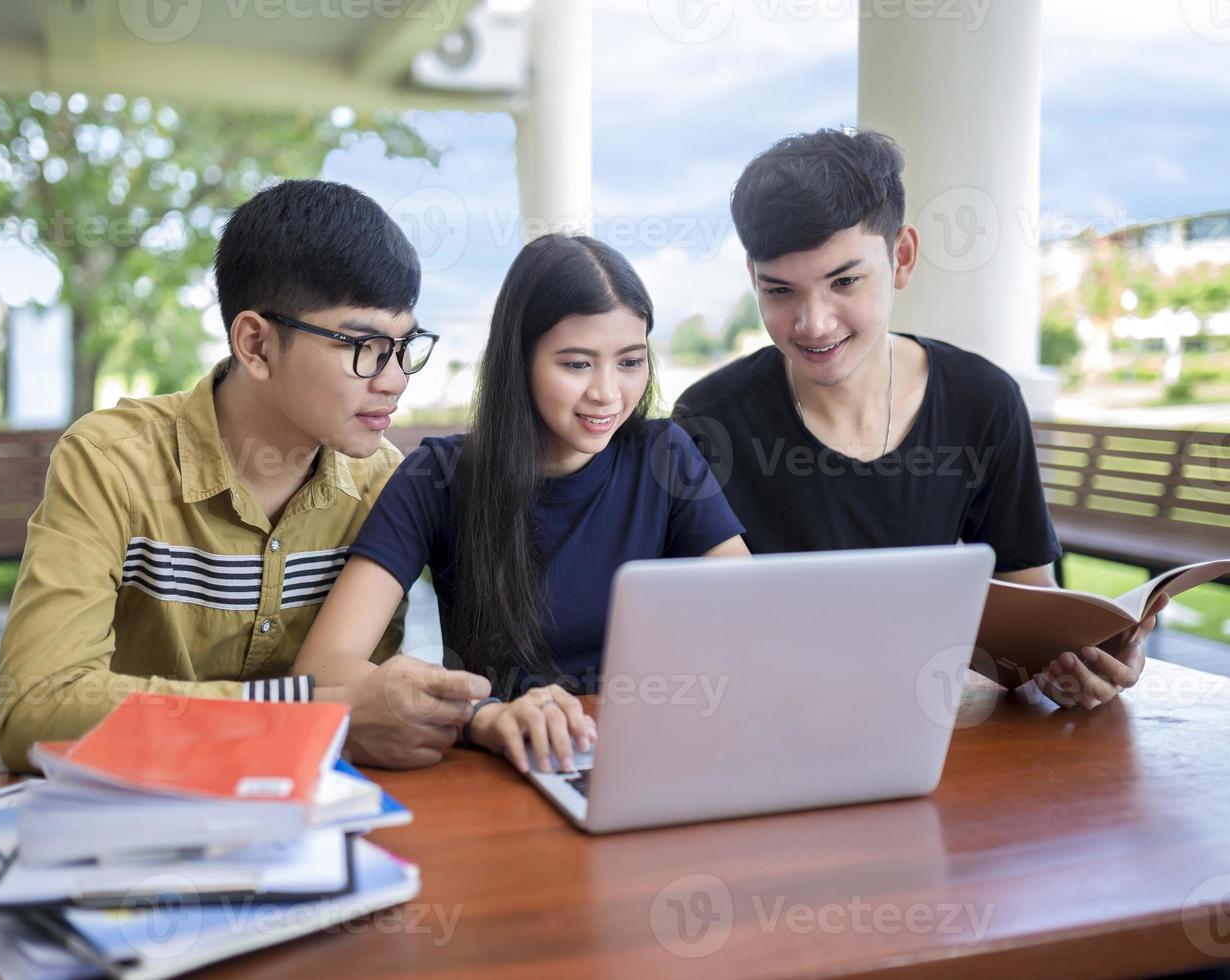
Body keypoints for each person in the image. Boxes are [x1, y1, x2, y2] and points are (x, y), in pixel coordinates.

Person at [0, 179, 490, 773]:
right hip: (132, 812)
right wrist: (304, 711)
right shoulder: (111, 461)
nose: (394, 379)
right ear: (256, 344)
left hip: (323, 812)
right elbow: (37, 710)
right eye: (363, 346)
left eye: (404, 346)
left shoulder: (383, 481)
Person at [672, 128, 1165, 711]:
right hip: (770, 718)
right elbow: (698, 636)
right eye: (779, 291)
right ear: (753, 277)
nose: (813, 323)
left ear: (901, 257)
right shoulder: (709, 422)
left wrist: (1078, 658)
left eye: (844, 281)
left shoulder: (982, 402)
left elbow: (1032, 597)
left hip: (925, 725)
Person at [293, 234, 750, 775]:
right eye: (577, 365)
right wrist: (480, 716)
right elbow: (321, 671)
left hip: (652, 755)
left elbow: (750, 622)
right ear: (519, 360)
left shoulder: (666, 456)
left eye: (629, 361)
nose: (608, 392)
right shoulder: (436, 477)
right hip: (500, 765)